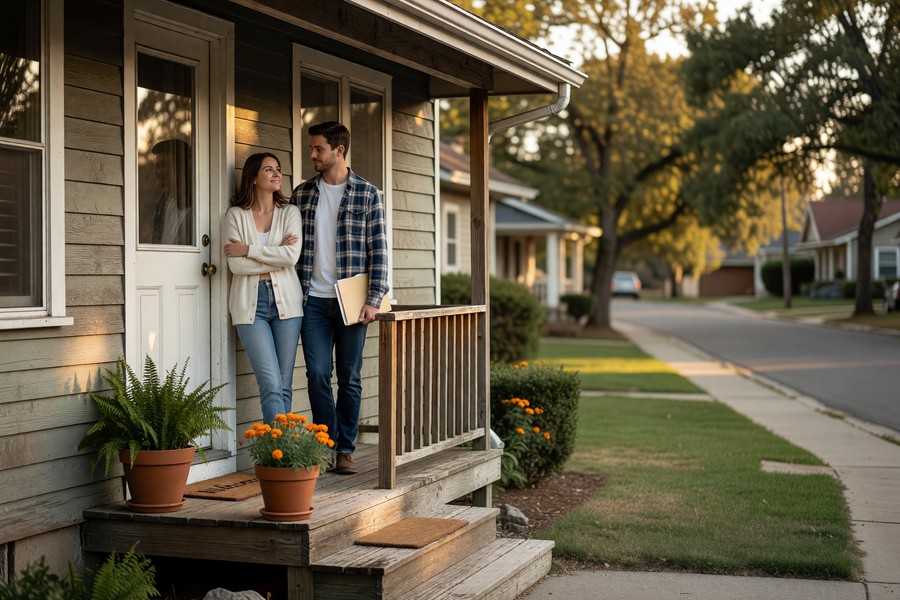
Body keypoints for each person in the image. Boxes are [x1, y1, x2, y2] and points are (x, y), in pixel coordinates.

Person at [291, 121, 388, 475]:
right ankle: (324, 444)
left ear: (339, 151)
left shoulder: (367, 194)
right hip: (312, 299)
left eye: (318, 149)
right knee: (317, 374)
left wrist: (374, 298)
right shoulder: (302, 195)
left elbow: (379, 251)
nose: (313, 155)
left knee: (349, 376)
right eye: (312, 149)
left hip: (352, 301)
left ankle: (345, 449)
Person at [224, 153, 303, 427]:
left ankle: (284, 451)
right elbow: (236, 266)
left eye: (278, 169)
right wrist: (274, 254)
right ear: (254, 177)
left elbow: (291, 257)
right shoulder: (235, 216)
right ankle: (278, 455)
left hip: (288, 306)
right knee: (270, 381)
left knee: (283, 383)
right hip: (250, 305)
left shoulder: (290, 212)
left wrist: (249, 250)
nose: (276, 174)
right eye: (268, 169)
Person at [147, 139, 192, 245]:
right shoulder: (161, 203)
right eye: (155, 166)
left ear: (179, 167)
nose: (156, 172)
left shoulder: (192, 204)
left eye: (162, 165)